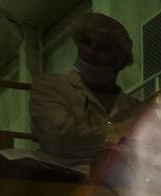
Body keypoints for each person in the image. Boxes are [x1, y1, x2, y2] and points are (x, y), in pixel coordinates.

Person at [29, 13, 142, 171]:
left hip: (126, 182)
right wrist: (119, 140)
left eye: (103, 47)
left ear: (120, 61)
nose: (91, 51)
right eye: (86, 42)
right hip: (63, 178)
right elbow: (57, 135)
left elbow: (158, 149)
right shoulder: (50, 86)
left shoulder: (136, 109)